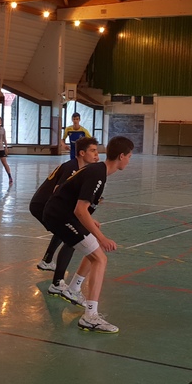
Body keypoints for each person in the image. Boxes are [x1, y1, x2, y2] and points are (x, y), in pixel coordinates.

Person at [42, 136, 134, 333]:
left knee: (95, 249)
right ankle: (90, 316)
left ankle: (74, 289)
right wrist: (102, 237)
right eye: (129, 156)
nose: (129, 160)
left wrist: (92, 225)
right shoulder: (97, 174)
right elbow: (80, 210)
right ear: (121, 156)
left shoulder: (99, 172)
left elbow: (77, 204)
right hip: (59, 216)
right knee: (100, 258)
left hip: (64, 214)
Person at [30, 137, 99, 302]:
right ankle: (57, 283)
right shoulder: (72, 167)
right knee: (71, 237)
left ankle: (48, 261)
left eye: (97, 151)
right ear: (81, 153)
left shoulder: (82, 169)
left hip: (50, 206)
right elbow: (57, 191)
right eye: (93, 151)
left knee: (66, 231)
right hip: (43, 206)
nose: (97, 155)